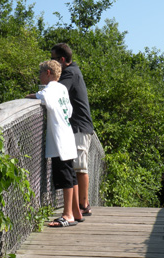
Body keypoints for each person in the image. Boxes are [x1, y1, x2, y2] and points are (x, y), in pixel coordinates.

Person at [25, 60, 83, 227]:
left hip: (59, 139)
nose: (39, 76)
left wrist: (31, 96)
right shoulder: (63, 88)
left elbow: (44, 97)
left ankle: (68, 215)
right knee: (71, 175)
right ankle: (76, 212)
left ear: (48, 72)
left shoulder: (50, 89)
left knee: (65, 176)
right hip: (67, 135)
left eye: (41, 73)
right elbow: (70, 110)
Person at [50, 43, 93, 216]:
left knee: (80, 168)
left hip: (79, 127)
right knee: (77, 167)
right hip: (79, 126)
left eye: (53, 59)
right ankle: (80, 206)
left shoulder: (69, 73)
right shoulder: (74, 71)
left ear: (61, 59)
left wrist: (39, 94)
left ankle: (84, 205)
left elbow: (59, 91)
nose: (51, 62)